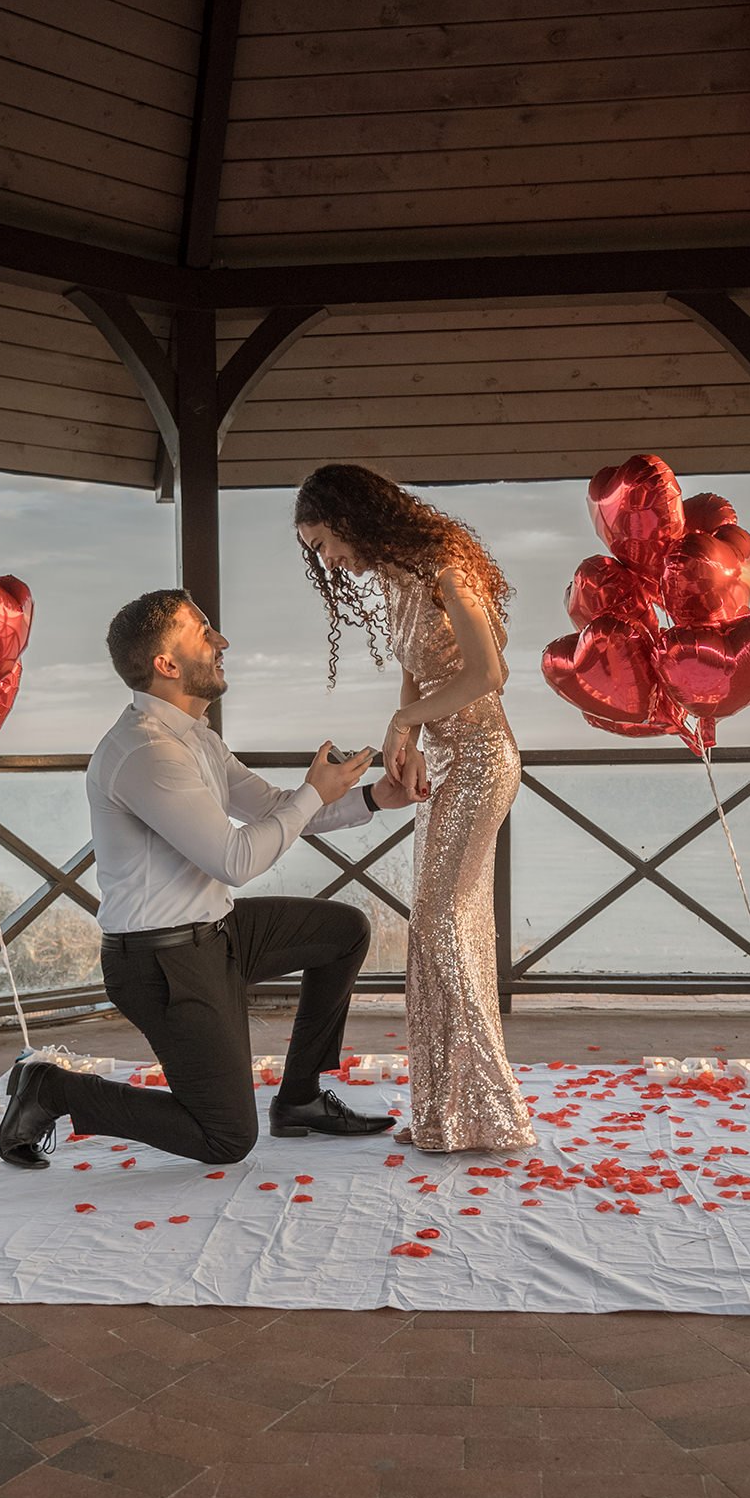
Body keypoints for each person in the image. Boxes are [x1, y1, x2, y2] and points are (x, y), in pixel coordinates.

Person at [0, 588, 427, 1169]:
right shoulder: (145, 752)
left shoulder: (195, 736)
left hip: (216, 932)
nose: (221, 641)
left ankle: (299, 1100)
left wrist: (374, 797)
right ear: (166, 665)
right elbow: (236, 860)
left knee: (343, 930)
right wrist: (312, 794)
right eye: (204, 632)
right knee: (226, 1139)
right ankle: (50, 1089)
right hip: (161, 961)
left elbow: (276, 806)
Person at [294, 465, 536, 1155]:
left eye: (322, 543)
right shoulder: (398, 575)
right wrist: (411, 737)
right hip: (444, 759)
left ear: (351, 516)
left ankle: (489, 1108)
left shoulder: (446, 566)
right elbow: (415, 663)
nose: (326, 560)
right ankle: (446, 1111)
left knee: (437, 922)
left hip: (485, 758)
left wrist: (406, 718)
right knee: (446, 927)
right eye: (316, 551)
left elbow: (490, 673)